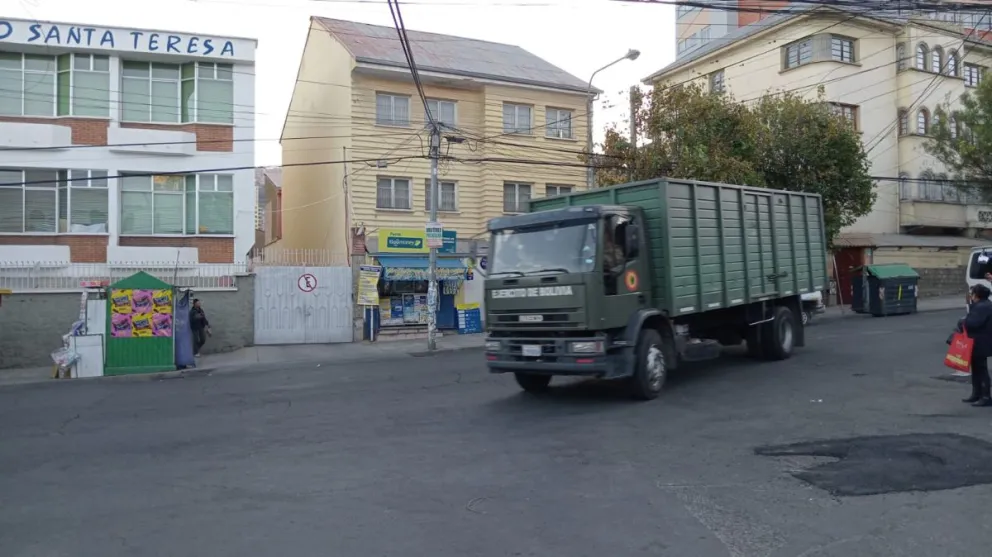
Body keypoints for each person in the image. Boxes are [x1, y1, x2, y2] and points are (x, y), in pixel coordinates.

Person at [962, 284, 992, 406]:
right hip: (981, 341)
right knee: (976, 368)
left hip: (981, 342)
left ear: (977, 295)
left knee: (981, 369)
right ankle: (976, 394)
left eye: (973, 293)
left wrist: (962, 321)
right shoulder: (984, 305)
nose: (971, 296)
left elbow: (973, 323)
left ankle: (985, 396)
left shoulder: (982, 307)